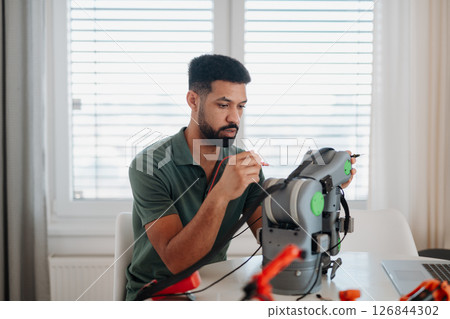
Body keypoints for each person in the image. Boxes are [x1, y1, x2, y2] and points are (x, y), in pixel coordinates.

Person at [125, 54, 356, 301]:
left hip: (214, 287)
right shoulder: (149, 165)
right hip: (158, 292)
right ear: (193, 100)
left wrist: (319, 188)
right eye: (223, 105)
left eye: (241, 106)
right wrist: (222, 193)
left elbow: (275, 242)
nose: (234, 118)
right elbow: (177, 263)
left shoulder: (244, 165)